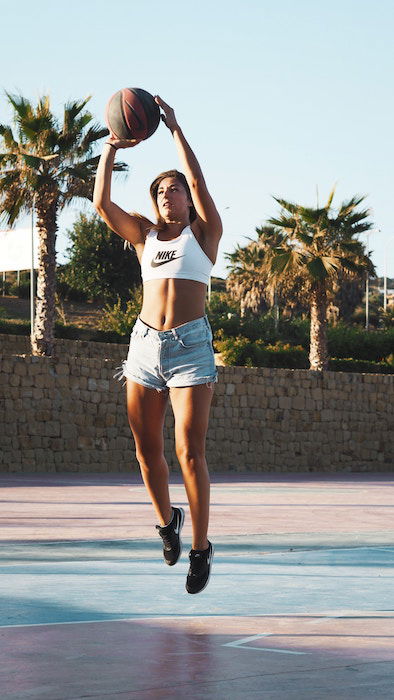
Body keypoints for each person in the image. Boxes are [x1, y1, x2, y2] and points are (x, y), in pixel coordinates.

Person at [93, 96, 222, 594]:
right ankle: (168, 522)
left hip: (191, 348)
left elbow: (200, 178)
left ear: (189, 199)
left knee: (189, 452)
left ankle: (201, 549)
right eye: (162, 190)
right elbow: (103, 204)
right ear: (155, 202)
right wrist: (111, 148)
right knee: (147, 454)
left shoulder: (205, 234)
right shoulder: (145, 237)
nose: (170, 194)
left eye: (177, 189)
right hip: (144, 347)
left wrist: (175, 131)